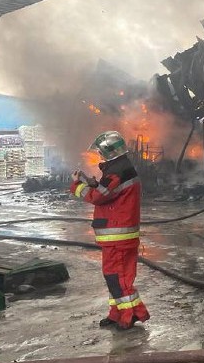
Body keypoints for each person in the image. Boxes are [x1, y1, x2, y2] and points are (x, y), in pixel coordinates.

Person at [70, 131, 150, 330]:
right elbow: (107, 189)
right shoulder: (119, 168)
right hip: (117, 237)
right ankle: (117, 314)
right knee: (113, 277)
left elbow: (98, 196)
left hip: (118, 236)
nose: (100, 155)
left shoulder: (118, 171)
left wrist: (78, 186)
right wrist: (92, 182)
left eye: (100, 152)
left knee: (120, 278)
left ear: (108, 151)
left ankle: (131, 315)